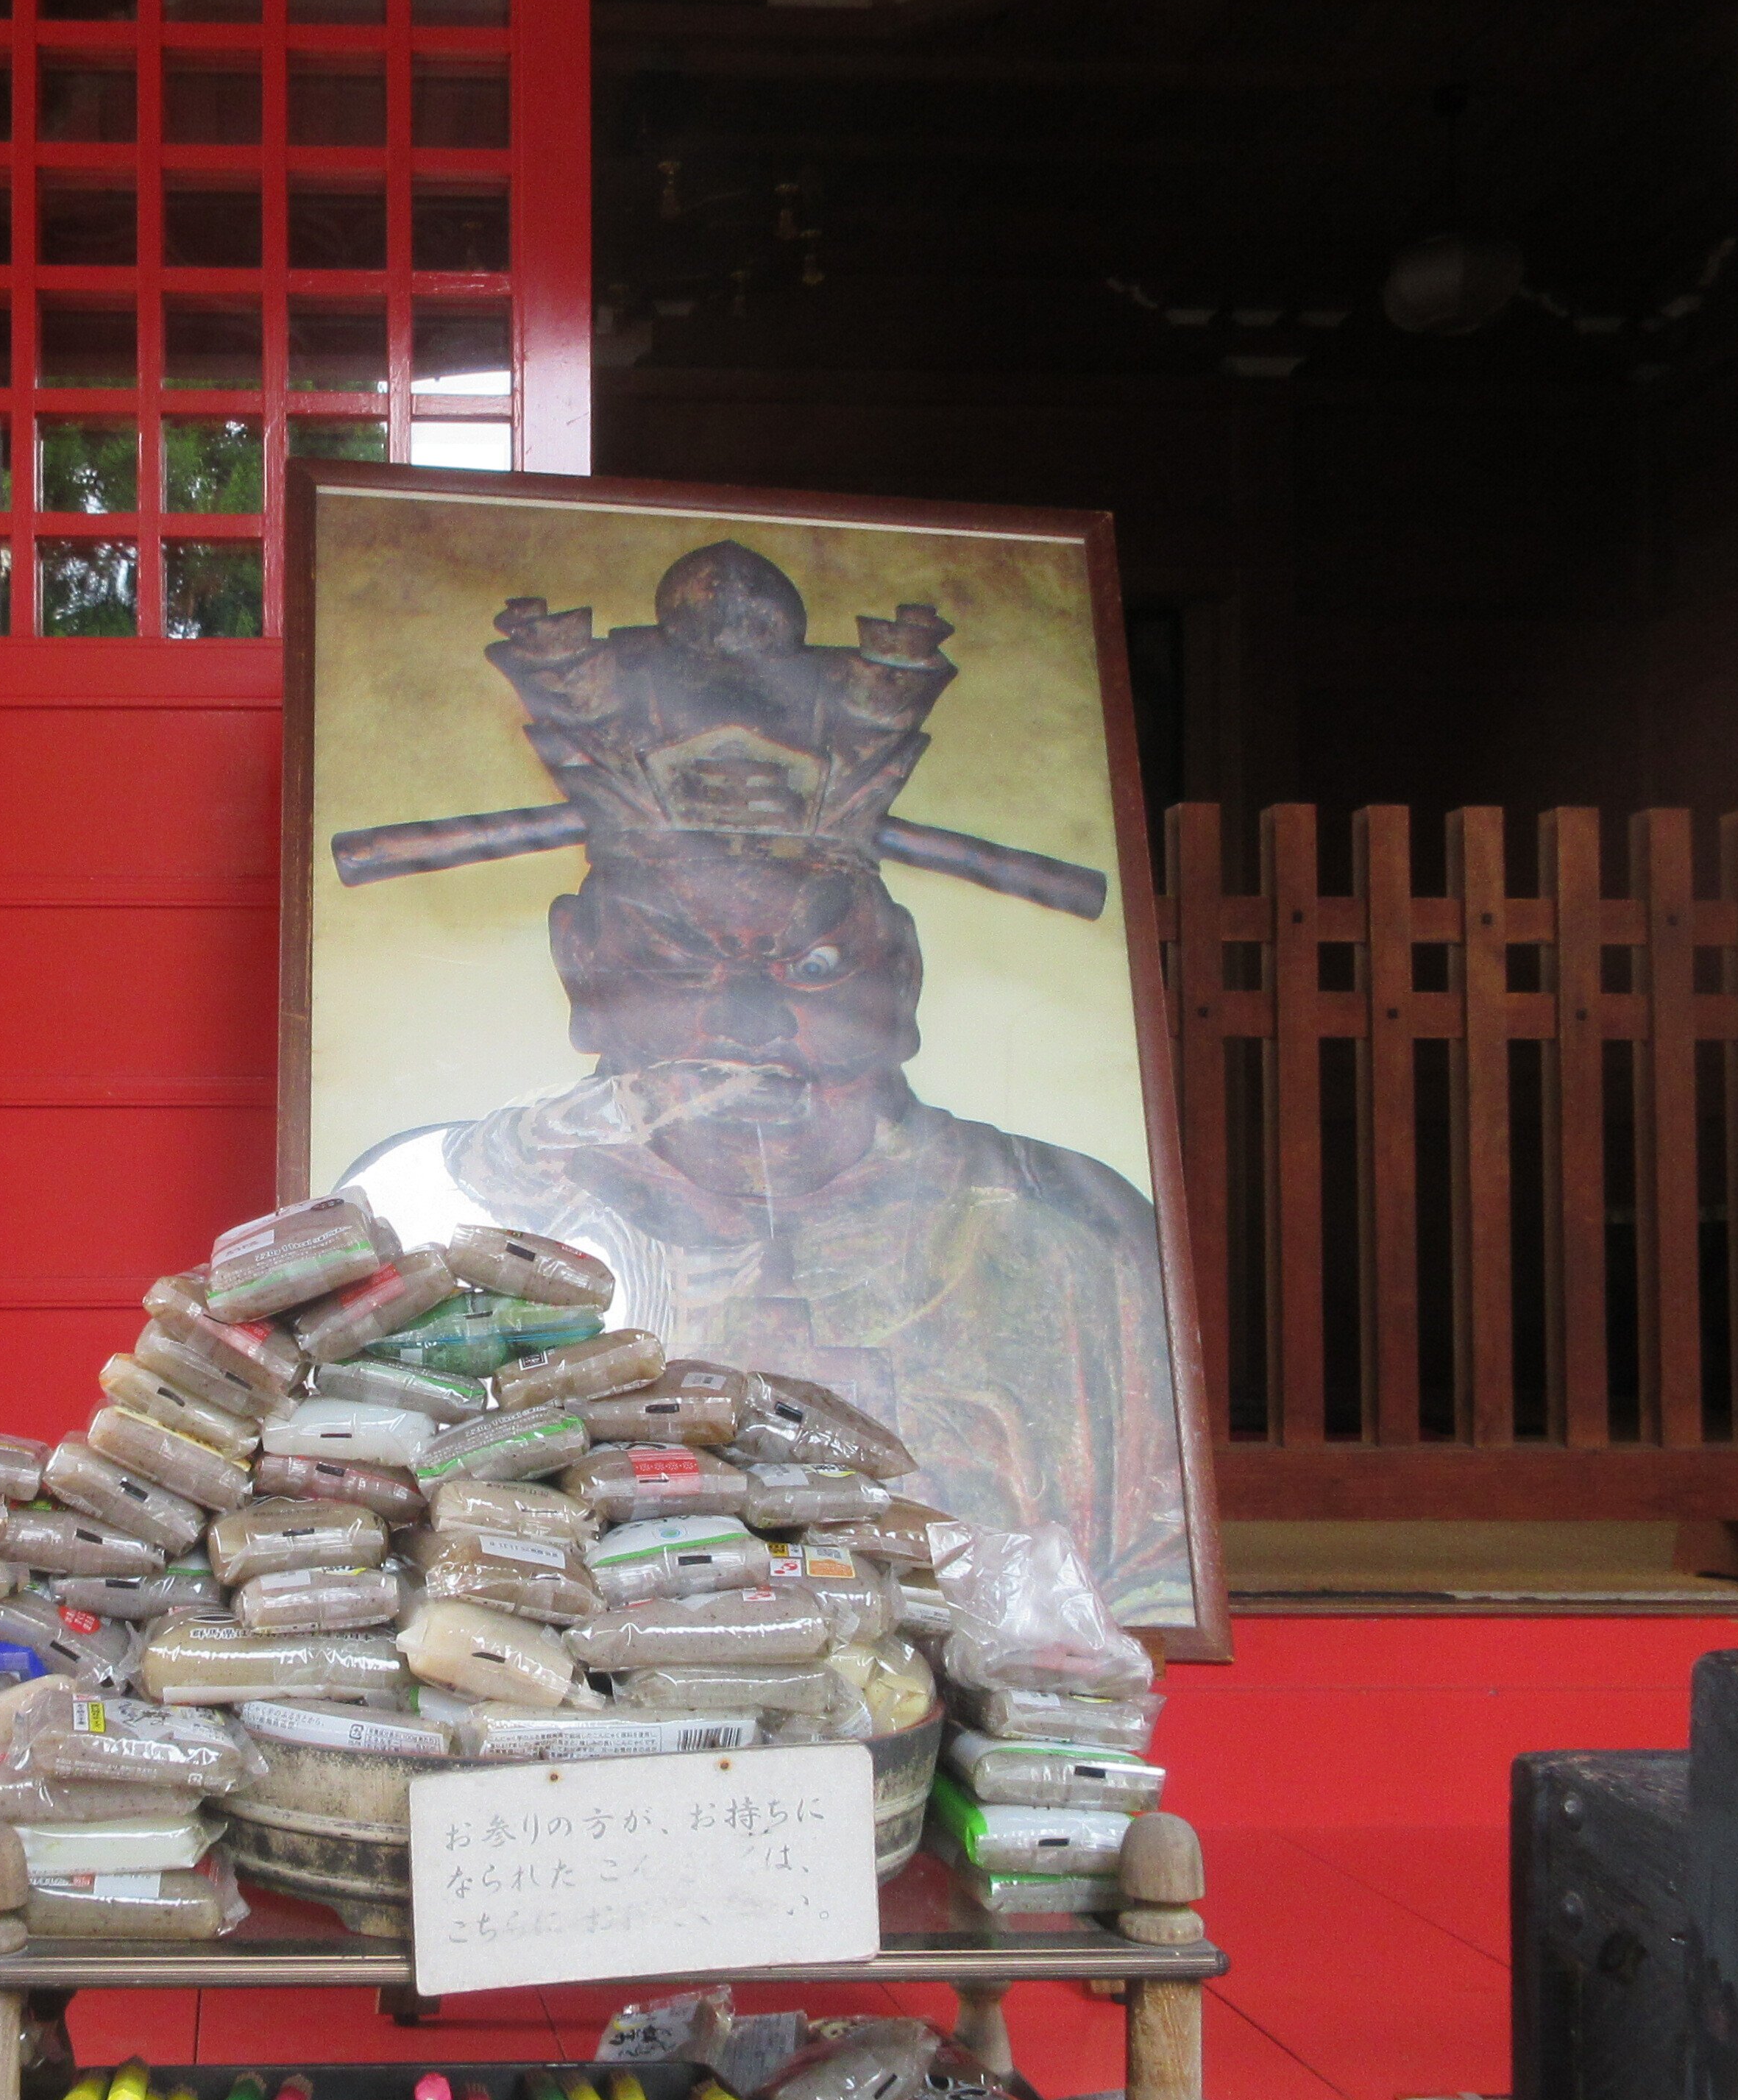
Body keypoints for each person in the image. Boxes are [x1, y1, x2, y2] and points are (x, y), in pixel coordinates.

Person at [336, 539, 1196, 1629]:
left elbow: (1147, 1600)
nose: (745, 1023)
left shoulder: (1078, 1241)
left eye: (816, 963)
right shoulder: (447, 1216)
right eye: (678, 962)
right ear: (581, 966)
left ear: (906, 973)